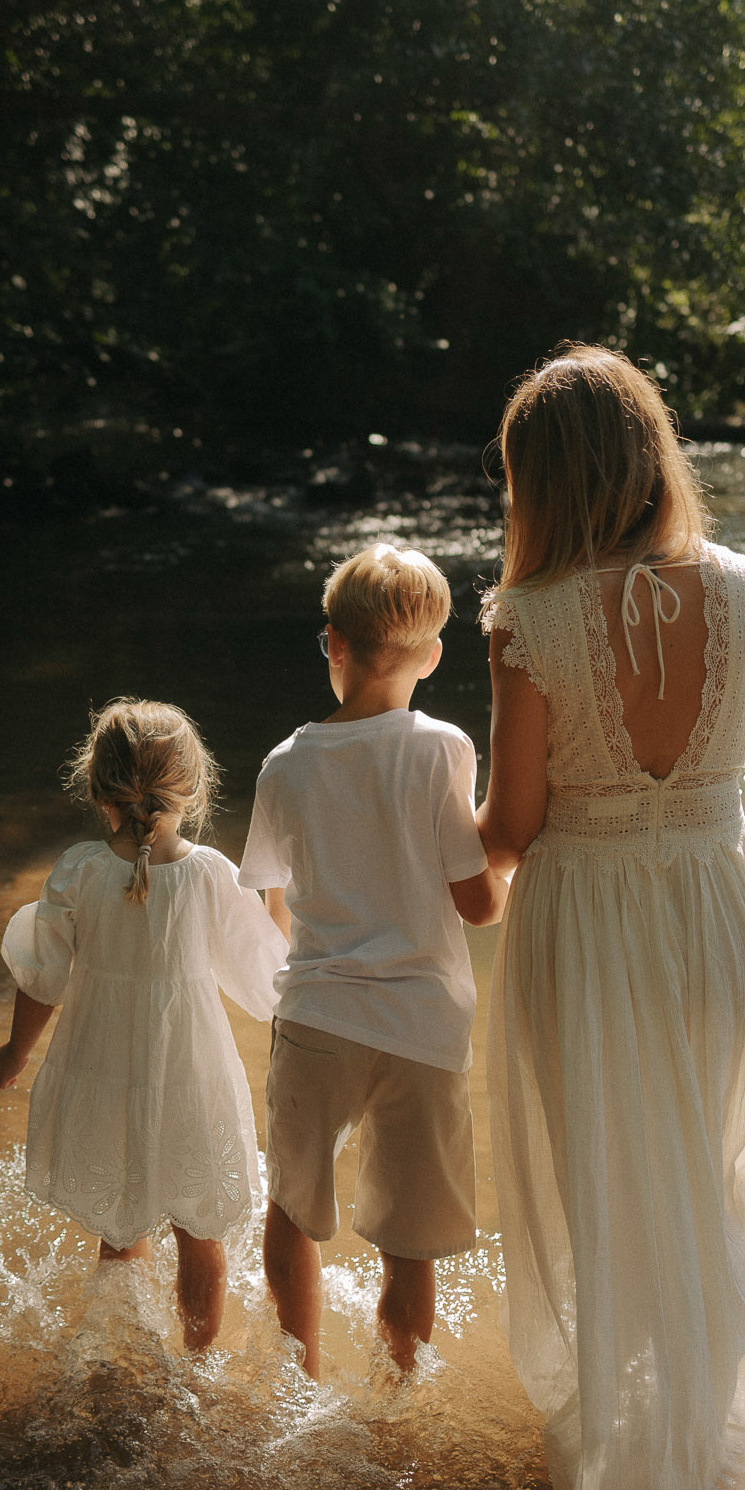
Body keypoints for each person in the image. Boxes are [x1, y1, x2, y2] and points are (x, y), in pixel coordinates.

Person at [476, 344, 745, 1490]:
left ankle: (630, 1472)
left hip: (593, 925)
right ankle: (707, 1438)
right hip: (722, 915)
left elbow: (508, 832)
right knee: (706, 1187)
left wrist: (426, 821)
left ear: (543, 486)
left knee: (603, 1193)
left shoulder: (529, 620)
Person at [238, 544, 509, 1379]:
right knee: (408, 1241)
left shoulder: (284, 764)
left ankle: (299, 1377)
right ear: (431, 657)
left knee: (290, 1208)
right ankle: (395, 1401)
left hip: (318, 1016)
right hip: (421, 1029)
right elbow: (475, 903)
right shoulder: (442, 750)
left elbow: (269, 897)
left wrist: (310, 964)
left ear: (332, 643)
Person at [0, 698, 288, 1351]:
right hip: (187, 1074)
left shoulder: (79, 870)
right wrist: (279, 901)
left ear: (99, 792)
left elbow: (42, 976)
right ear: (194, 789)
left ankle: (119, 1365)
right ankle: (199, 1367)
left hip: (101, 1072)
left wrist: (14, 1054)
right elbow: (270, 984)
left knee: (119, 1227)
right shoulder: (211, 875)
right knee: (199, 1232)